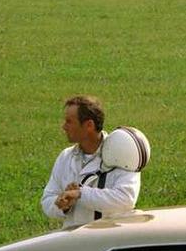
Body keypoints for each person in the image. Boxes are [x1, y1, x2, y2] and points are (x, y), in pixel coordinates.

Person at [40, 95, 141, 228]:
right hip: (73, 241)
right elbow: (47, 200)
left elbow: (125, 199)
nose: (64, 127)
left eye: (69, 122)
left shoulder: (123, 152)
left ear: (89, 125)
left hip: (110, 239)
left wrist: (81, 193)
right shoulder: (65, 157)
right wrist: (62, 205)